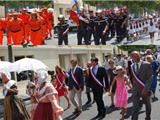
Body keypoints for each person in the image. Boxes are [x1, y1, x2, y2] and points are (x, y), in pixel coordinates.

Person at [131, 51, 152, 120]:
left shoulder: (147, 64)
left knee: (147, 104)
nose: (134, 58)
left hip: (144, 89)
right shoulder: (132, 66)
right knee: (135, 107)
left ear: (139, 56)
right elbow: (132, 78)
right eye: (133, 56)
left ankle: (148, 117)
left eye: (136, 56)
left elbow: (150, 78)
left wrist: (145, 89)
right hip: (135, 90)